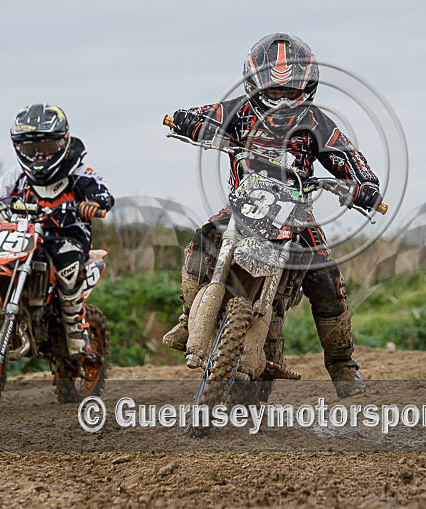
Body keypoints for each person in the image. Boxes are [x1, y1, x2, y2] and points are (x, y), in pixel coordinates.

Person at [163, 33, 382, 397]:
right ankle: (189, 318)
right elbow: (200, 115)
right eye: (274, 91)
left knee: (327, 279)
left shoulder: (317, 122)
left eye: (289, 91)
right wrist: (185, 121)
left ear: (307, 85)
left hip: (296, 216)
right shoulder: (237, 111)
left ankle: (342, 365)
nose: (281, 98)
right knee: (201, 243)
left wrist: (364, 186)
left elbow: (349, 158)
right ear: (254, 83)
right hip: (242, 206)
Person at [0, 103, 114, 360]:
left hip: (66, 234)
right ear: (18, 148)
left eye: (46, 148)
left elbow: (103, 194)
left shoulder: (79, 171)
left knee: (69, 262)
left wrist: (94, 203)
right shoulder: (16, 174)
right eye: (31, 149)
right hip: (25, 232)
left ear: (62, 142)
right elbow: (0, 196)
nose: (39, 156)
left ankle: (75, 327)